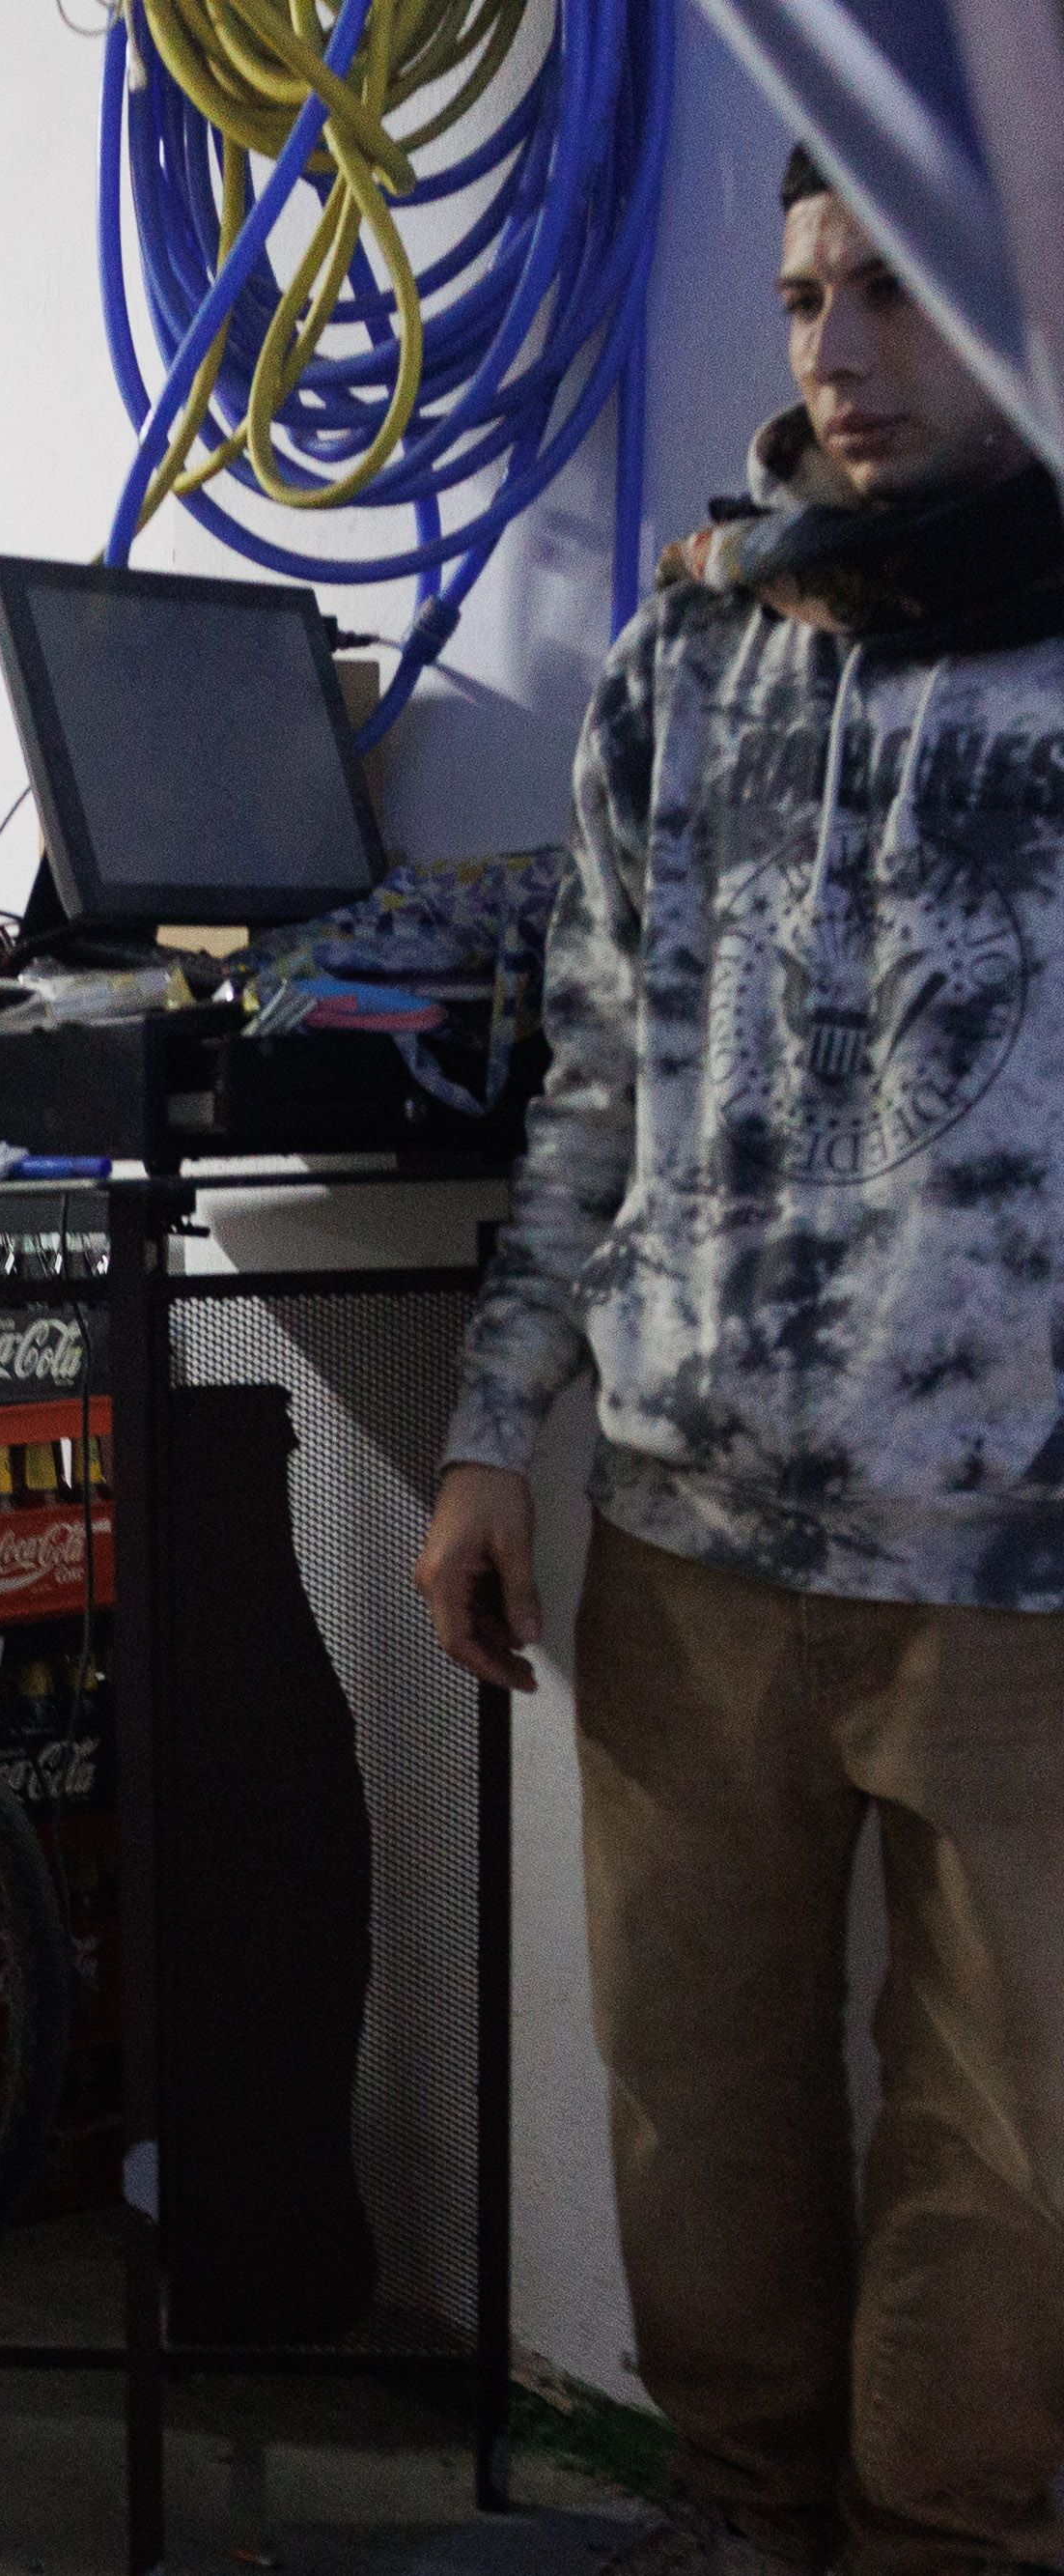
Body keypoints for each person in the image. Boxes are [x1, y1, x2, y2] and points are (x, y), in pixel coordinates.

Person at [417, 150, 1064, 2576]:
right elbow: (586, 1073)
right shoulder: (688, 659)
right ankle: (743, 2524)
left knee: (1004, 2165)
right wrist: (496, 1431)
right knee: (693, 2117)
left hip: (1015, 1566)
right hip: (684, 1530)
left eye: (894, 288)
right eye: (802, 292)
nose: (830, 347)